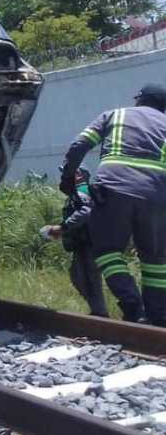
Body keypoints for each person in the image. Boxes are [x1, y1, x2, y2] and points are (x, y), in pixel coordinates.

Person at [60, 83, 166, 326]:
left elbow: (79, 146)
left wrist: (68, 177)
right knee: (155, 260)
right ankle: (159, 316)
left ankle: (133, 307)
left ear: (139, 100)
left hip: (113, 190)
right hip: (157, 196)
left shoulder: (114, 115)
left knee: (108, 251)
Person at [42, 167, 109, 317]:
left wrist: (63, 227)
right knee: (78, 277)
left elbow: (86, 211)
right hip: (82, 244)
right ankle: (97, 310)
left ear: (78, 175)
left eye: (67, 173)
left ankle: (100, 314)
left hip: (90, 244)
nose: (64, 176)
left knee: (91, 280)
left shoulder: (82, 190)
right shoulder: (76, 193)